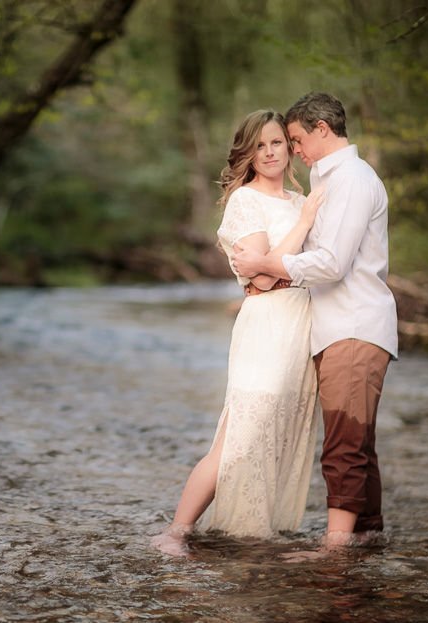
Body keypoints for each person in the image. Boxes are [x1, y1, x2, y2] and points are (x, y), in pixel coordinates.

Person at [151, 109, 325, 556]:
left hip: (299, 329)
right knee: (240, 436)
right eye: (260, 145)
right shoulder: (247, 201)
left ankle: (253, 533)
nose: (269, 152)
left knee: (274, 432)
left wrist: (298, 228)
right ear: (247, 152)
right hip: (267, 327)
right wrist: (304, 224)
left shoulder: (294, 198)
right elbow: (263, 281)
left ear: (290, 148)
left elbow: (290, 267)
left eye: (277, 143)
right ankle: (176, 531)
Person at [231, 92, 398, 551]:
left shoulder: (352, 181)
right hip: (340, 328)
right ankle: (367, 540)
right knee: (357, 441)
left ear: (323, 129)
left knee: (344, 444)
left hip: (354, 326)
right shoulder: (331, 182)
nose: (294, 150)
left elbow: (331, 264)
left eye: (297, 139)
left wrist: (266, 264)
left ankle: (334, 551)